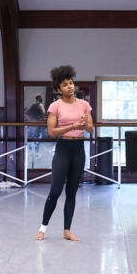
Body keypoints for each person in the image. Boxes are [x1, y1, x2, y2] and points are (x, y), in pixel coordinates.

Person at [35, 65, 93, 242]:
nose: (70, 86)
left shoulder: (84, 105)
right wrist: (73, 126)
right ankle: (42, 228)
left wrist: (85, 124)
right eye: (65, 84)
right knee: (55, 190)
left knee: (72, 192)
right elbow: (52, 131)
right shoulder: (55, 105)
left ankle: (67, 230)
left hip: (78, 150)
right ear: (59, 89)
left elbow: (90, 129)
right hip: (63, 149)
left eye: (71, 83)